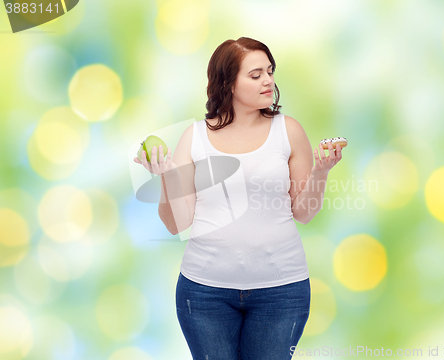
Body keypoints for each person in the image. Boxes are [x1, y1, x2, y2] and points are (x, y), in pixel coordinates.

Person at [134, 37, 343, 360]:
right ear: (228, 83)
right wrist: (166, 176)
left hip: (282, 292)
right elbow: (179, 222)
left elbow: (303, 213)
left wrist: (322, 171)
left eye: (270, 72)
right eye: (256, 74)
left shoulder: (288, 131)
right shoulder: (195, 137)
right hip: (204, 294)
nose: (268, 81)